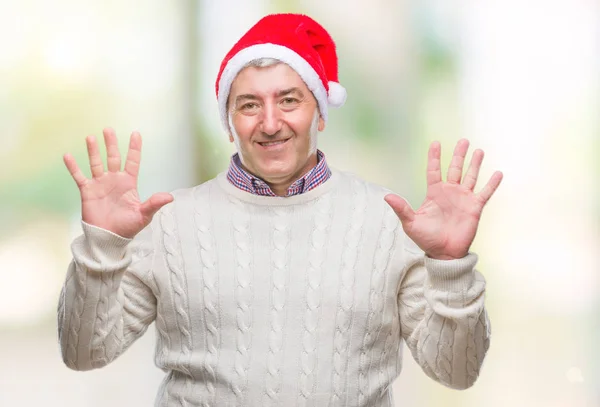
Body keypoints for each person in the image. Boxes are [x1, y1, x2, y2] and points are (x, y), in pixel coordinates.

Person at [58, 13, 503, 407]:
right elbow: (83, 354)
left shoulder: (390, 221)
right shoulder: (170, 224)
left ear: (321, 112)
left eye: (289, 100)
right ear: (229, 124)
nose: (270, 123)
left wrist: (450, 266)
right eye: (249, 105)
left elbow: (456, 373)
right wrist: (102, 247)